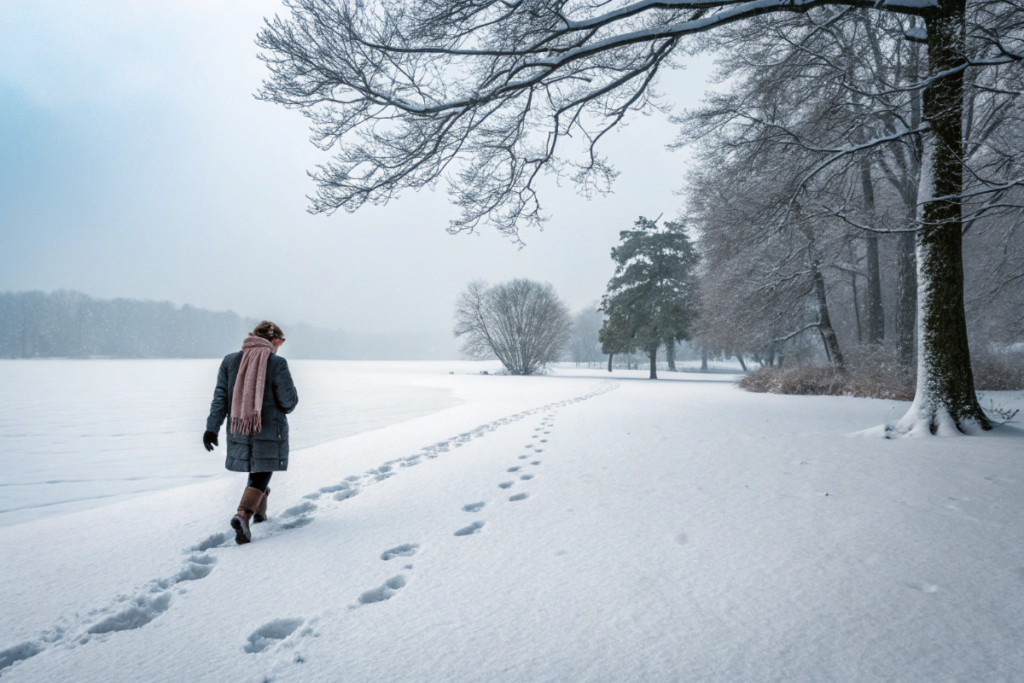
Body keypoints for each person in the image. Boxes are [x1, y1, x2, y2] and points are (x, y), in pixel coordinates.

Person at [203, 321, 298, 544]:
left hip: (239, 427)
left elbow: (220, 399)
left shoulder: (230, 361)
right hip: (267, 428)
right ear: (274, 340)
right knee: (263, 469)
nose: (280, 346)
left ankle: (260, 513)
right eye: (281, 342)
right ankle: (243, 514)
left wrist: (211, 428)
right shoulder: (276, 363)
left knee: (258, 469)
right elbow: (288, 403)